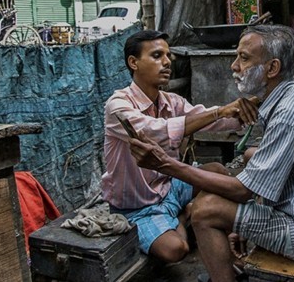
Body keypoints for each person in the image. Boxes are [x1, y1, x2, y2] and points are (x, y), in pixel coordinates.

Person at [128, 25, 294, 282]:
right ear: (133, 64)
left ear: (272, 69)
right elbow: (267, 181)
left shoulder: (288, 114)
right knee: (241, 163)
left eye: (244, 58)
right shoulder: (289, 99)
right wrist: (245, 222)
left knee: (205, 209)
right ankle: (231, 266)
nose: (234, 66)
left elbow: (243, 190)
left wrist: (167, 165)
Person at [102, 29, 259, 263]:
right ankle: (185, 215)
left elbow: (210, 120)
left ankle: (213, 232)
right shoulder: (118, 106)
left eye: (168, 56)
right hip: (137, 206)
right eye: (157, 56)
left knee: (217, 171)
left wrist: (246, 108)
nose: (166, 63)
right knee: (175, 250)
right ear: (133, 63)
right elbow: (156, 131)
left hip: (169, 187)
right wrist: (220, 111)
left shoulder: (170, 101)